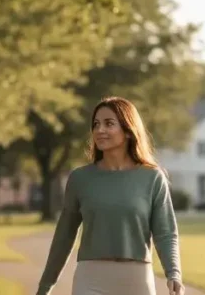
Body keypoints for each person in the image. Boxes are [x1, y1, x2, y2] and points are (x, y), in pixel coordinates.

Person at [35, 96, 184, 295]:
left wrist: (173, 273)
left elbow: (165, 233)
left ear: (129, 131)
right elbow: (64, 236)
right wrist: (45, 287)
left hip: (136, 281)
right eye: (96, 124)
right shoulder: (81, 178)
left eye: (109, 123)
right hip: (90, 279)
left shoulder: (152, 178)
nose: (99, 130)